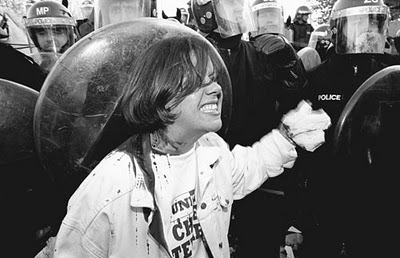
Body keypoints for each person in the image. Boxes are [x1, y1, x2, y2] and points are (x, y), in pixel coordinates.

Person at [51, 34, 329, 257]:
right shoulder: (113, 186)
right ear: (161, 94)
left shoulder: (210, 148)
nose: (216, 88)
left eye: (213, 79)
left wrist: (286, 135)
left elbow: (244, 169)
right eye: (199, 82)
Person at [191, 0, 310, 257]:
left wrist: (289, 64)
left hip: (258, 170)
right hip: (210, 171)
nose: (236, 11)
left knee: (259, 247)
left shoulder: (259, 52)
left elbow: (294, 101)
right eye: (229, 5)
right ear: (207, 11)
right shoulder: (195, 56)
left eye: (238, 4)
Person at [297, 0, 400, 256]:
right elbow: (300, 147)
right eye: (360, 25)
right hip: (327, 192)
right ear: (337, 29)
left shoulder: (391, 75)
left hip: (381, 193)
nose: (369, 33)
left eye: (375, 25)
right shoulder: (318, 79)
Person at [24, 0, 79, 73]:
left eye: (57, 32)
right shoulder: (27, 73)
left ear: (69, 35)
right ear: (34, 38)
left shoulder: (83, 69)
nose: (49, 38)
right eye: (42, 33)